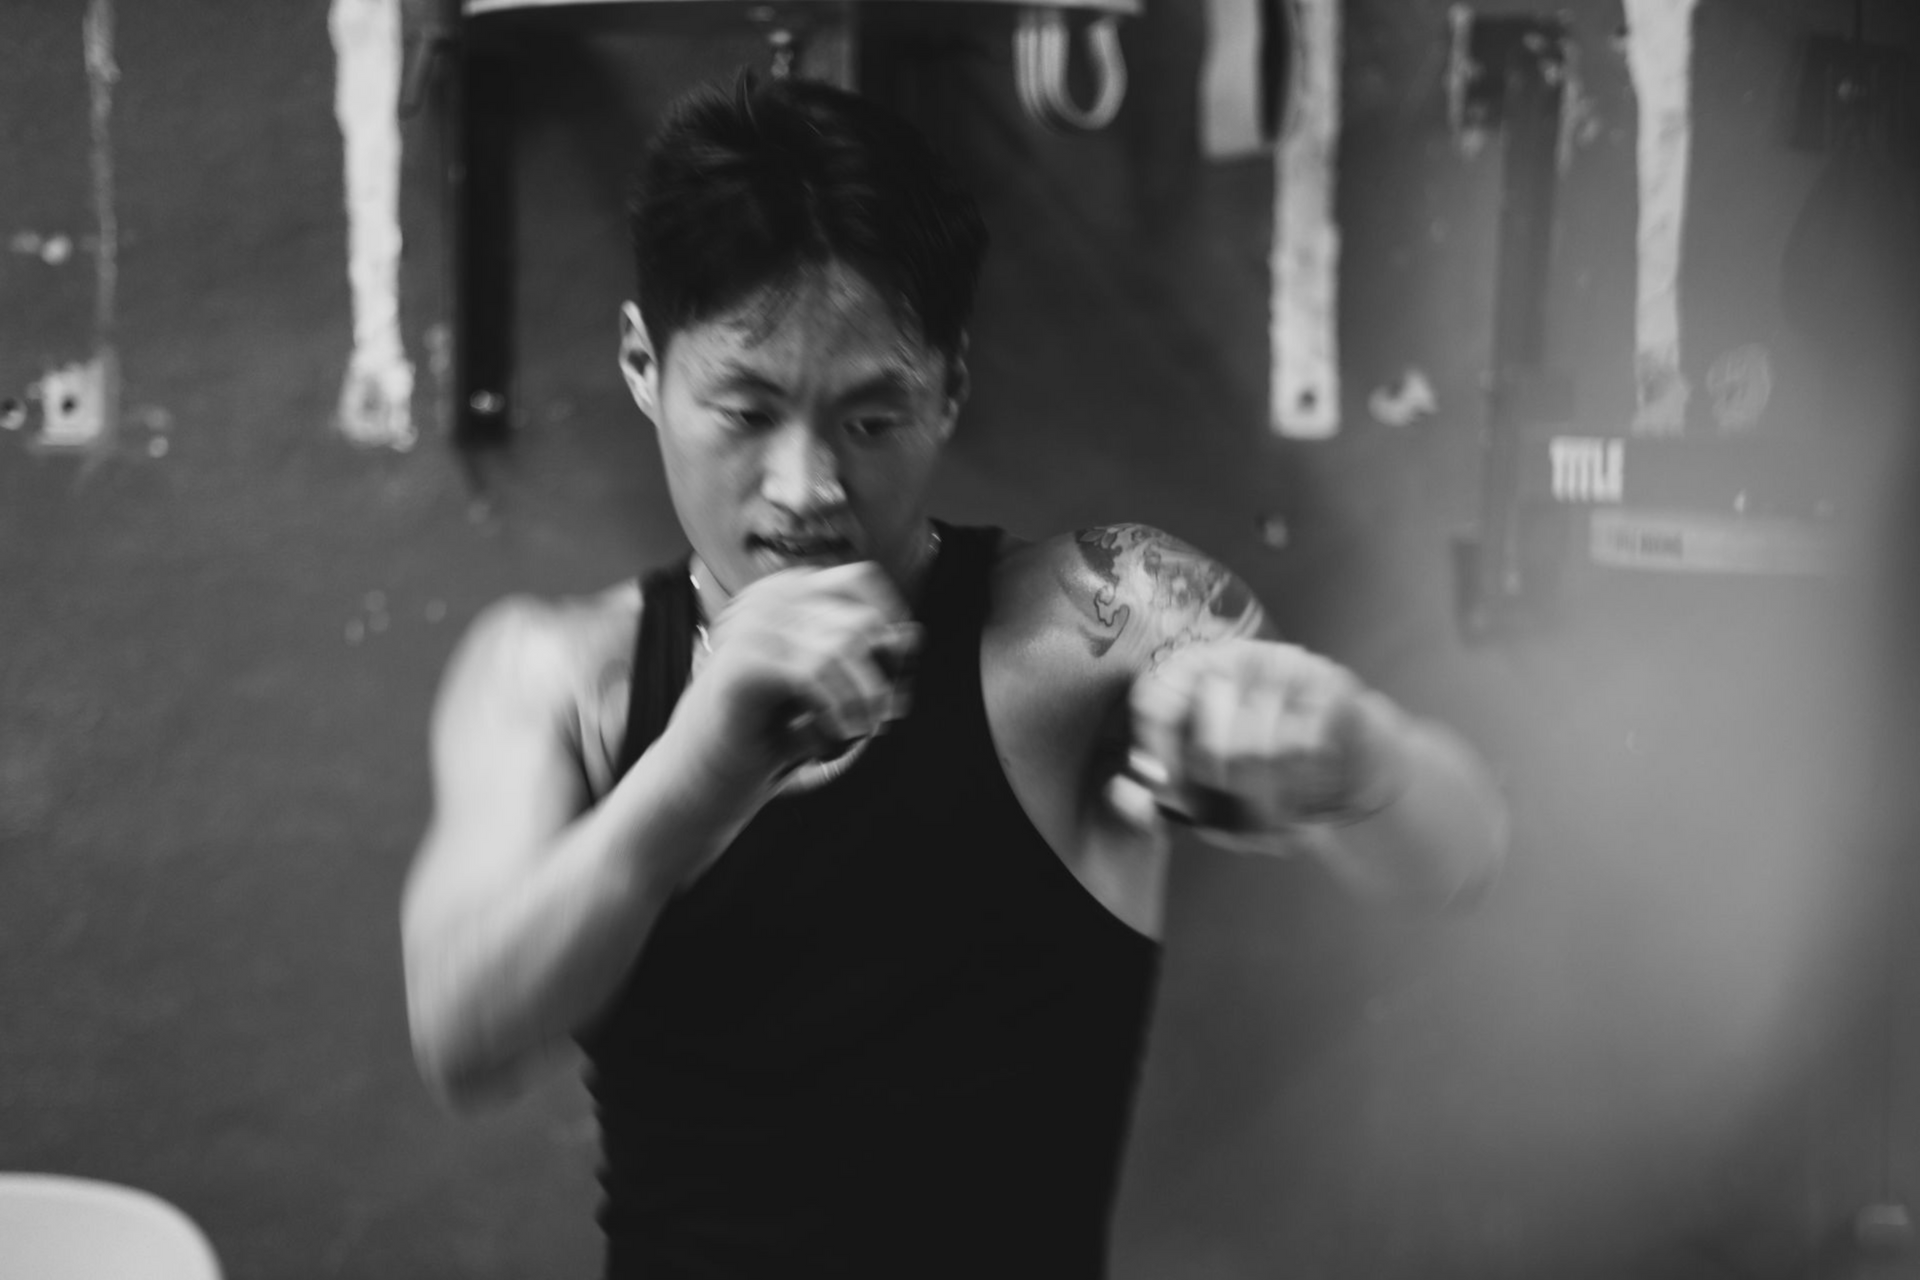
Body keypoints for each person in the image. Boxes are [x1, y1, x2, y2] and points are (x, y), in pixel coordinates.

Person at [402, 74, 1508, 1279]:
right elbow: (462, 1034)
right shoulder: (559, 672)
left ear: (951, 388)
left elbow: (1460, 851)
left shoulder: (1095, 625)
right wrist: (704, 761)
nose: (806, 484)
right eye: (746, 408)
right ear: (641, 363)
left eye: (872, 420)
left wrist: (1356, 763)